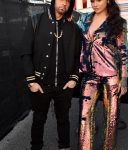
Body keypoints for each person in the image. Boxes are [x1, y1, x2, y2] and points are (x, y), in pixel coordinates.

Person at [21, 0, 81, 149]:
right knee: (39, 120)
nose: (64, 4)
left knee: (63, 120)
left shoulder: (73, 27)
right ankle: (36, 146)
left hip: (64, 84)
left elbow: (78, 56)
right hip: (40, 84)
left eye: (68, 1)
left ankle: (64, 147)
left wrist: (74, 78)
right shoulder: (36, 21)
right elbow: (25, 53)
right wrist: (31, 81)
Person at [77, 0, 128, 149]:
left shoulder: (117, 22)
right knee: (84, 115)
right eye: (92, 1)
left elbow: (123, 51)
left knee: (111, 119)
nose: (94, 4)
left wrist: (123, 79)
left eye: (98, 0)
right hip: (89, 76)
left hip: (110, 77)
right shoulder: (85, 19)